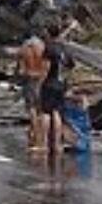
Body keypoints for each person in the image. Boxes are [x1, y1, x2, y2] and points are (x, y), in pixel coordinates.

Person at [41, 26, 76, 156]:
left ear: (49, 34)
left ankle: (44, 143)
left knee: (45, 113)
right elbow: (71, 67)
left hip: (49, 83)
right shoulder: (65, 49)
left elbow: (45, 67)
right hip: (61, 84)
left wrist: (41, 82)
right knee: (57, 113)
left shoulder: (49, 48)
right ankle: (57, 144)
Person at [18, 29, 49, 150]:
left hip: (30, 78)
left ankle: (34, 134)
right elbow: (47, 65)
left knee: (31, 108)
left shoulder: (24, 48)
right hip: (41, 78)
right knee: (41, 108)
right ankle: (41, 136)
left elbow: (21, 70)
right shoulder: (42, 46)